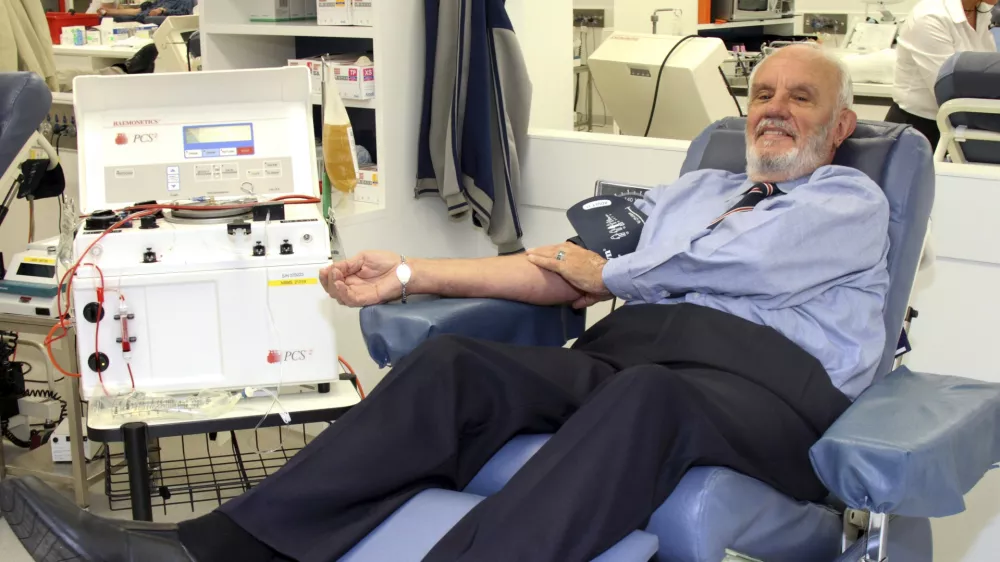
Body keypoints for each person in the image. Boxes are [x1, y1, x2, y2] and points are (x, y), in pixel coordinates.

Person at [0, 43, 891, 562]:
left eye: (799, 98)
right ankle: (199, 554)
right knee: (460, 367)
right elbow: (560, 267)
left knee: (643, 396)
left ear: (839, 126)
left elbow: (734, 268)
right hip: (638, 356)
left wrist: (606, 275)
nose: (773, 110)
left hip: (766, 394)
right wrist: (412, 275)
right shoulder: (693, 191)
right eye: (763, 94)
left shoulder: (852, 204)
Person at [886, 0, 999, 149]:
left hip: (962, 125)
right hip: (920, 131)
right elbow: (949, 92)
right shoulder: (930, 16)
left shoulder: (982, 12)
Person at [96, 0, 195, 22]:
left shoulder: (185, 1)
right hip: (141, 15)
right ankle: (107, 14)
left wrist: (163, 10)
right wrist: (108, 12)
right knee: (104, 18)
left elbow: (185, 13)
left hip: (150, 19)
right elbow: (138, 11)